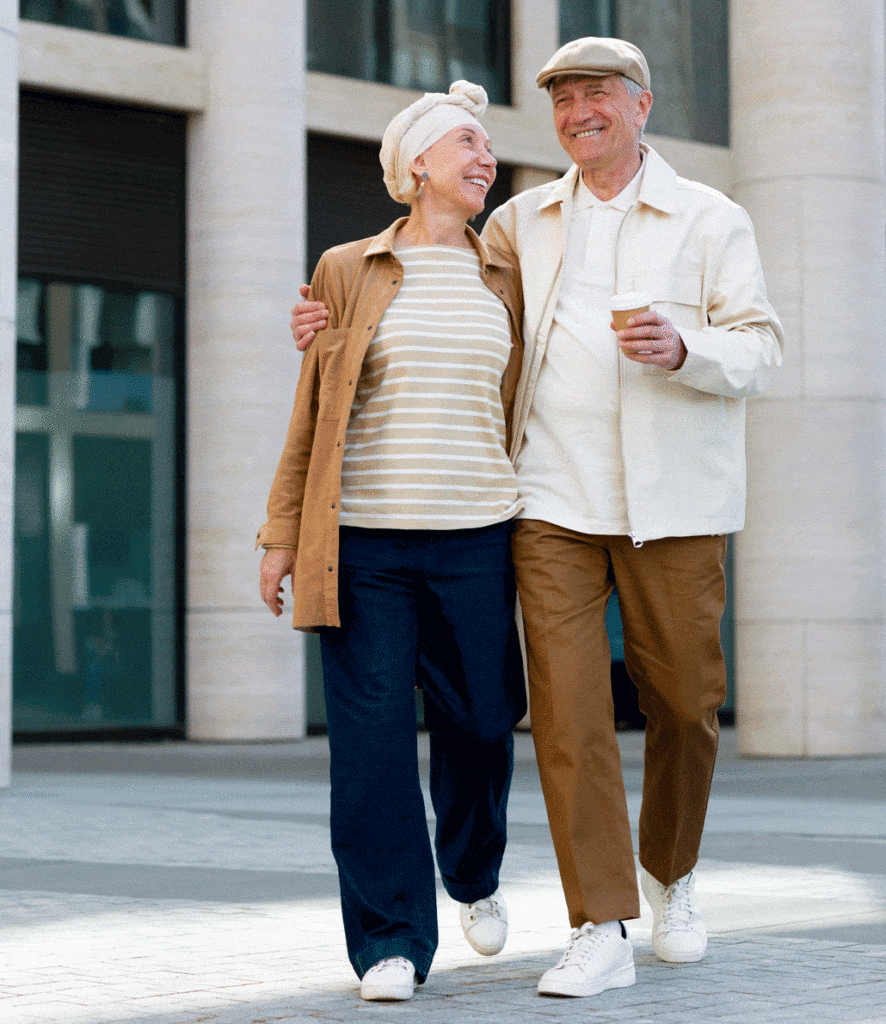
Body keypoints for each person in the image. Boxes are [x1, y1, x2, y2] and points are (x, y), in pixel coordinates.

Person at [291, 36, 785, 1000]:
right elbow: (415, 266)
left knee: (684, 702)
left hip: (673, 505)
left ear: (641, 106)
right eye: (562, 101)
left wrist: (687, 347)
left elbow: (762, 346)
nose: (577, 114)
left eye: (597, 95)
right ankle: (597, 922)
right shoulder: (522, 220)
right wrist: (328, 315)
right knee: (565, 715)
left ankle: (671, 872)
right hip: (548, 502)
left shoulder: (711, 218)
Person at [257, 81, 527, 1003]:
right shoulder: (347, 268)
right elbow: (312, 412)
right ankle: (389, 943)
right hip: (365, 543)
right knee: (370, 746)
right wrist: (281, 533)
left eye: (488, 146)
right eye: (466, 142)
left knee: (485, 722)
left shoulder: (509, 275)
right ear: (416, 166)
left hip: (478, 537)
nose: (484, 157)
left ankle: (474, 872)